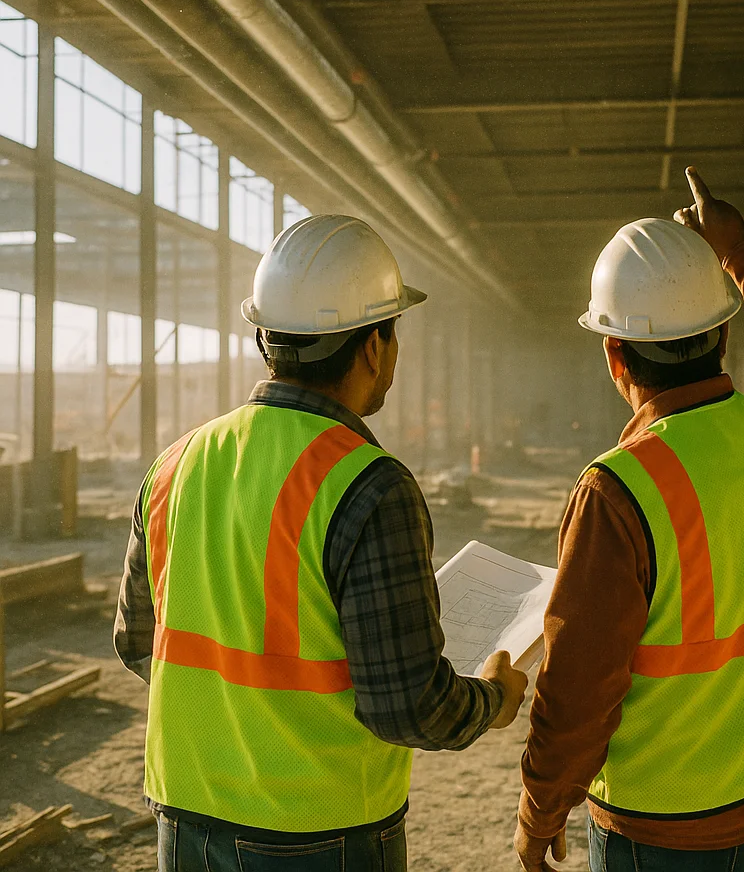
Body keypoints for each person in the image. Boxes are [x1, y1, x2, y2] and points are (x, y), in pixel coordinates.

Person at [114, 214, 528, 872]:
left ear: (263, 337)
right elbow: (408, 708)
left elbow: (139, 642)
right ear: (374, 347)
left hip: (184, 820)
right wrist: (494, 700)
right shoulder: (370, 485)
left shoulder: (176, 463)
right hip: (320, 834)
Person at [514, 168, 744, 872]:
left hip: (664, 833)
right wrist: (736, 249)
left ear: (614, 353)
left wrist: (541, 807)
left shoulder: (617, 490)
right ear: (723, 335)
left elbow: (578, 692)